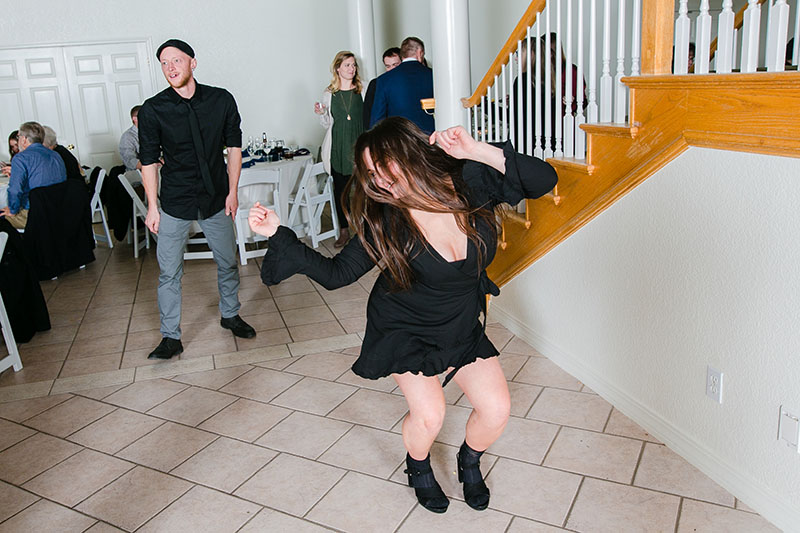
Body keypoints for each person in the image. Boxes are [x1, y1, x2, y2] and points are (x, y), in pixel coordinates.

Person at [248, 117, 558, 514]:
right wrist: (278, 232)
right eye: (371, 173)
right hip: (404, 327)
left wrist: (475, 150)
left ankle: (469, 460)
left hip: (459, 322)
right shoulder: (385, 221)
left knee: (497, 410)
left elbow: (543, 180)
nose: (380, 180)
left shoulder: (468, 182)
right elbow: (335, 274)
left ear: (410, 154)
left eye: (384, 166)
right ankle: (418, 465)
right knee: (430, 416)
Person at [138, 38, 256, 360]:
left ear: (193, 62)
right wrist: (152, 207)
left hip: (216, 196)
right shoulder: (152, 109)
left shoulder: (221, 100)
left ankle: (230, 314)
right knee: (169, 272)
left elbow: (234, 149)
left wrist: (232, 193)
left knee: (227, 262)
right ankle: (170, 337)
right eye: (164, 63)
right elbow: (148, 161)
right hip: (175, 201)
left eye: (176, 60)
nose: (170, 68)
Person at [314, 50, 364, 248]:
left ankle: (364, 230)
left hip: (360, 145)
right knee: (340, 193)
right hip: (338, 147)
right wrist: (321, 113)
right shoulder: (329, 94)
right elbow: (327, 124)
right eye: (347, 65)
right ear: (338, 69)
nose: (351, 69)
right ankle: (344, 231)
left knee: (363, 191)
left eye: (353, 65)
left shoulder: (363, 89)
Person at [0, 122, 66, 229]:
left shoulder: (21, 158)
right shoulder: (55, 155)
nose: (19, 139)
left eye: (19, 136)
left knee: (3, 215)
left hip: (33, 215)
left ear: (24, 139)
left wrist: (12, 210)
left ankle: (21, 245)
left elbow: (15, 190)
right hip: (59, 211)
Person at [369, 37, 434, 133]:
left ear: (402, 55)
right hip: (429, 139)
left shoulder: (384, 79)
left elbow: (377, 120)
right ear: (419, 52)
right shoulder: (433, 75)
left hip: (398, 139)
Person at [363, 47, 402, 130]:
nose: (392, 69)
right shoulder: (375, 84)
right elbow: (368, 114)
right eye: (388, 66)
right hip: (384, 134)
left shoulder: (408, 83)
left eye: (395, 65)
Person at [119, 105, 142, 171]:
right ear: (135, 119)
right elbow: (130, 162)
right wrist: (155, 164)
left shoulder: (153, 133)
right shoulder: (128, 137)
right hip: (138, 174)